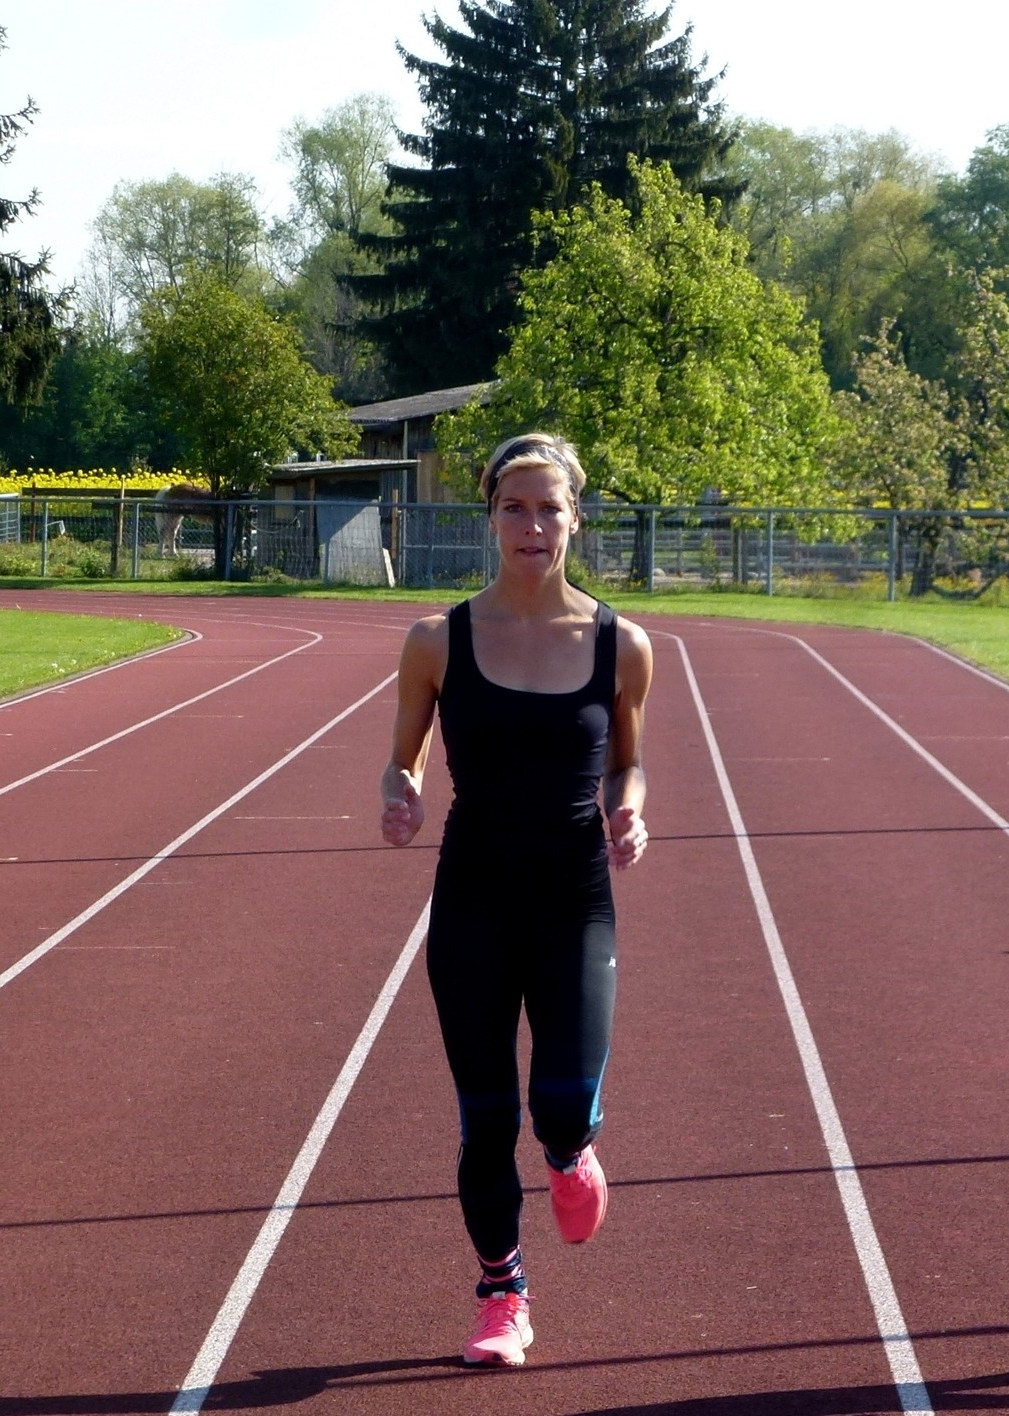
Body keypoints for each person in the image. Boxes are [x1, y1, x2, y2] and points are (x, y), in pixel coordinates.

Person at [380, 432, 654, 1367]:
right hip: (474, 902)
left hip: (574, 899)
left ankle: (575, 1154)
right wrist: (400, 792)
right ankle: (503, 1294)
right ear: (490, 517)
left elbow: (627, 764)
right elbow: (403, 755)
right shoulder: (436, 641)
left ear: (577, 518)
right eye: (514, 508)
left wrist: (630, 813)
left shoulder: (622, 644)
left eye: (550, 509)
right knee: (486, 1113)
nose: (532, 526)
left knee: (562, 1103)